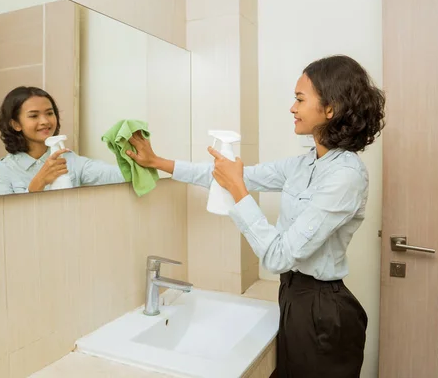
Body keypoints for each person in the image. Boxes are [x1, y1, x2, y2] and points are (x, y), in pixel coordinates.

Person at [126, 55, 385, 377]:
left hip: (322, 309)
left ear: (330, 109)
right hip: (294, 297)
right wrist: (158, 162)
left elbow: (278, 256)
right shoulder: (304, 164)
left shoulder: (345, 175)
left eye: (300, 99)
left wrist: (238, 191)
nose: (292, 107)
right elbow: (228, 175)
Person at [0, 86, 125, 196]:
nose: (45, 121)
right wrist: (38, 183)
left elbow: (118, 176)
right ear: (16, 124)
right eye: (34, 116)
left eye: (49, 113)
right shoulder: (2, 170)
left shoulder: (70, 160)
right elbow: (4, 218)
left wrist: (142, 161)